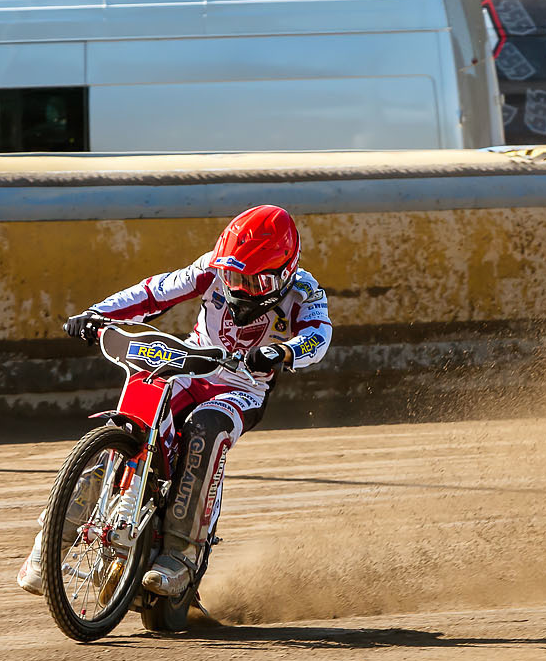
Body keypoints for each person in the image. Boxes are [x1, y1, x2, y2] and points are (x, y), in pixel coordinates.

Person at [16, 205, 332, 598]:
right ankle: (49, 546)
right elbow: (155, 291)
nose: (238, 289)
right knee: (131, 417)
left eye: (254, 283)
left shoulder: (305, 291)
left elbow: (319, 336)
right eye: (232, 277)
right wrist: (96, 313)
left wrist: (282, 353)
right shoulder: (211, 267)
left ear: (285, 272)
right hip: (192, 366)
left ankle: (181, 555)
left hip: (242, 386)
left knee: (207, 427)